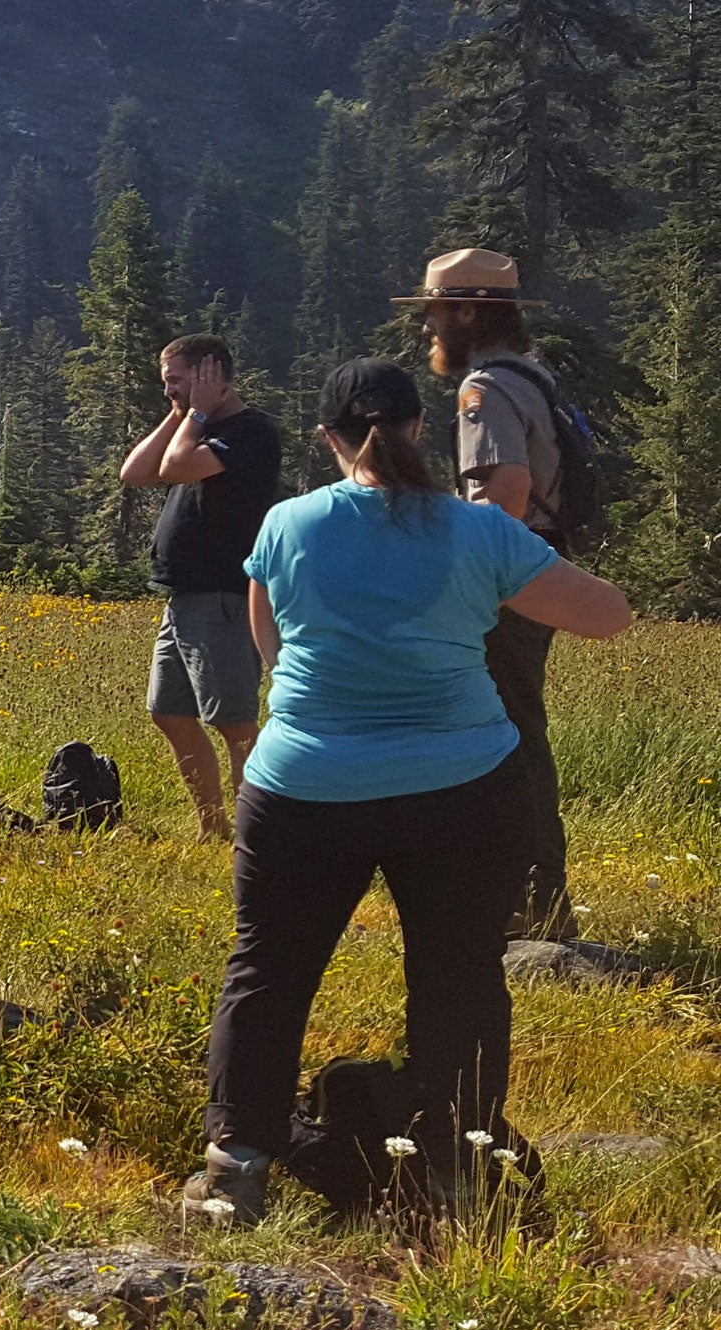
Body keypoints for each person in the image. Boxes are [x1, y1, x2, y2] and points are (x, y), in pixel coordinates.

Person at [182, 358, 631, 1224]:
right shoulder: (476, 532)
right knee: (460, 976)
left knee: (267, 971)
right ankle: (460, 1176)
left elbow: (271, 646)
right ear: (422, 429)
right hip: (461, 784)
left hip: (303, 783)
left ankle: (236, 1170)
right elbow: (606, 613)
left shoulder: (287, 524)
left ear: (328, 437)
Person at [397, 247, 576, 940]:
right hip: (539, 567)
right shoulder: (535, 376)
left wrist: (460, 580)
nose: (428, 329)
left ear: (468, 311)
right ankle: (535, 893)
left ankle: (526, 899)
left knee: (503, 734)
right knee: (519, 728)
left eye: (436, 312)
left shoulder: (484, 389)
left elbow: (503, 497)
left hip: (504, 581)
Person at [118, 334, 283, 840]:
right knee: (168, 712)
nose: (168, 389)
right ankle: (212, 827)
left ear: (211, 374)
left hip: (223, 595)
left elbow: (176, 467)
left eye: (177, 379)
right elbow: (135, 473)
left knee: (234, 723)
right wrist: (180, 413)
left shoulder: (249, 431)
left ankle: (258, 831)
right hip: (184, 595)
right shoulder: (194, 425)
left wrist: (199, 414)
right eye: (165, 380)